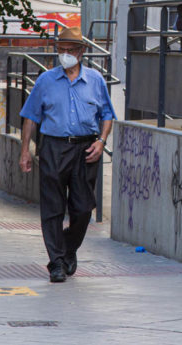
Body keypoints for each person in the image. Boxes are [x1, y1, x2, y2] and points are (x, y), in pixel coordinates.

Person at [18, 26, 115, 283]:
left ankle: (69, 248)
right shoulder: (46, 80)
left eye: (70, 50)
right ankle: (57, 262)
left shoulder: (95, 80)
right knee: (52, 207)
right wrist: (25, 150)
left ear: (82, 52)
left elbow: (107, 114)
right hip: (53, 147)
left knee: (83, 208)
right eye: (61, 50)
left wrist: (101, 141)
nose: (65, 55)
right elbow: (30, 117)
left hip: (85, 148)